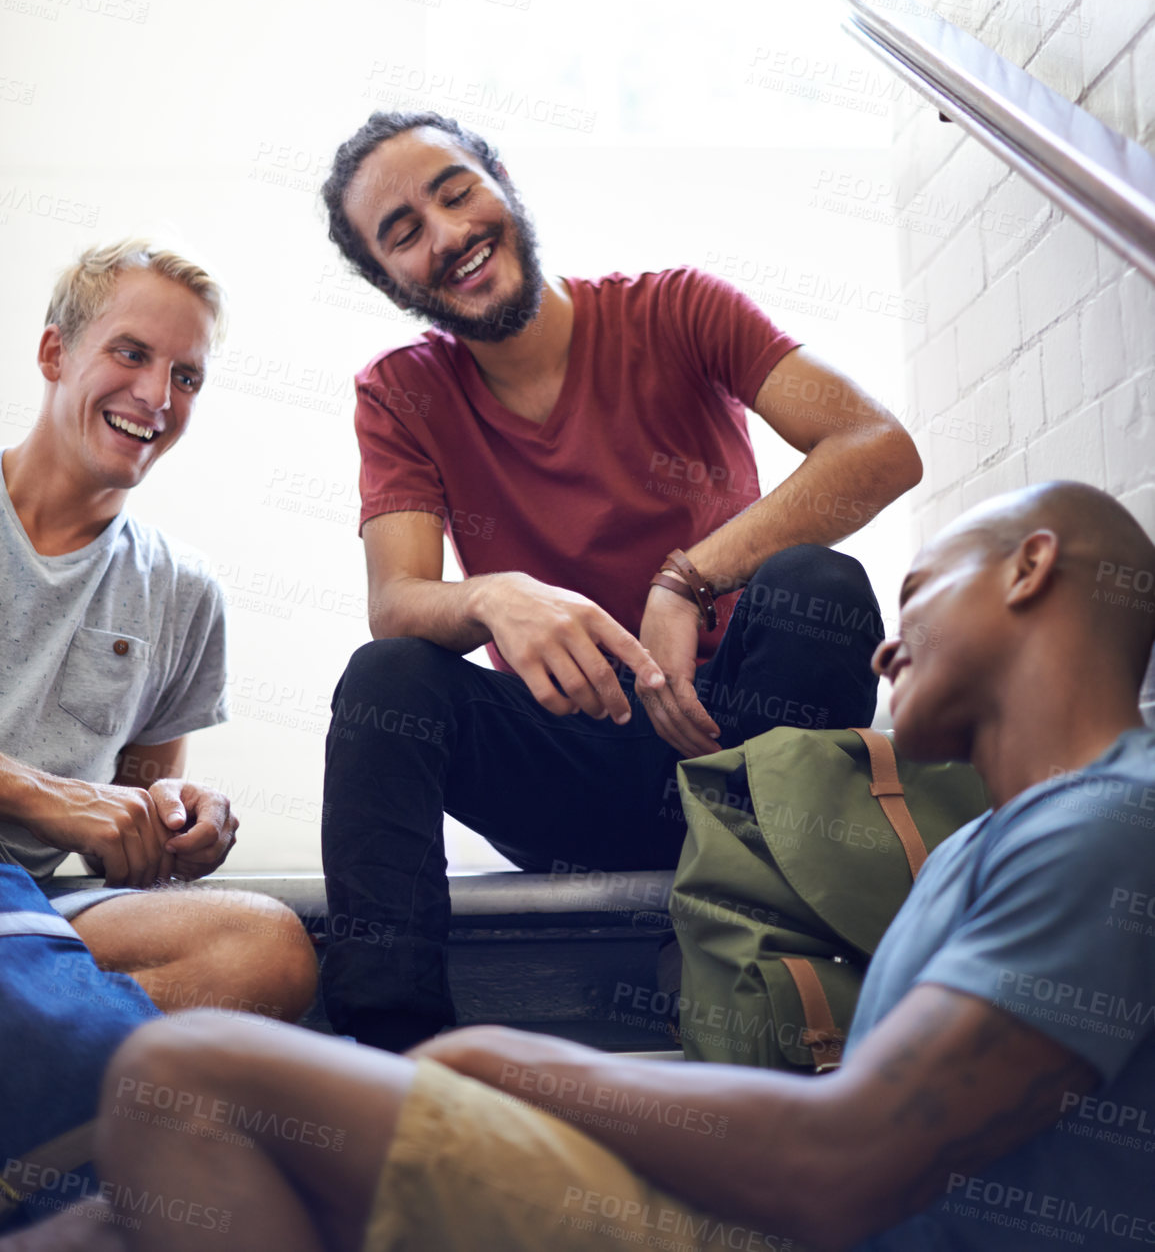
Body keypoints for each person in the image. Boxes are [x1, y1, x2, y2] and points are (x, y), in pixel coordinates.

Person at [14, 478, 1155, 1252]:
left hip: (812, 1225)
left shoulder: (1109, 826)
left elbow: (844, 1158)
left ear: (1031, 569)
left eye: (916, 598)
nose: (885, 645)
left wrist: (519, 1064)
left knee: (193, 1072)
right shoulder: (990, 842)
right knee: (125, 1207)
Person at [315, 112, 923, 1049]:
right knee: (385, 677)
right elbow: (396, 601)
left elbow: (877, 446)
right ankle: (391, 1057)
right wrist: (489, 594)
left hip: (738, 750)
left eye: (453, 190)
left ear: (501, 181)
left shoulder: (678, 309)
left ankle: (760, 944)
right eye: (401, 233)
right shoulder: (399, 391)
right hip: (573, 766)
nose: (445, 234)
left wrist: (687, 579)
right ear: (386, 279)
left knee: (819, 583)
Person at [0, 240, 317, 1020]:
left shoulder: (183, 589)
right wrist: (44, 796)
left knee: (264, 948)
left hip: (34, 918)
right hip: (24, 929)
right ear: (54, 352)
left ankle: (45, 1036)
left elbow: (133, 834)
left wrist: (175, 817)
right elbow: (72, 805)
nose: (155, 395)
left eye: (186, 376)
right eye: (131, 353)